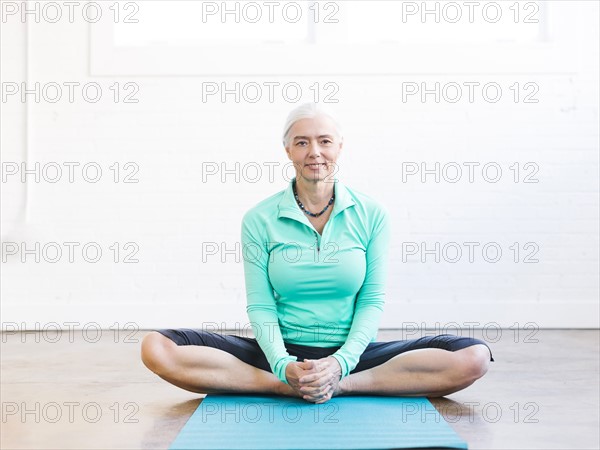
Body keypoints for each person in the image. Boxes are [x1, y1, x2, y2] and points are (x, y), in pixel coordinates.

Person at [141, 102, 494, 404]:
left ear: (339, 147)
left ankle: (342, 387)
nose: (314, 152)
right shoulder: (259, 219)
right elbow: (261, 305)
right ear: (288, 151)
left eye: (324, 141)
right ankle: (284, 387)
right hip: (279, 352)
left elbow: (372, 299)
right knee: (156, 348)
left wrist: (341, 365)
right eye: (302, 142)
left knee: (473, 357)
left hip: (354, 355)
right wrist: (282, 365)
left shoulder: (372, 214)